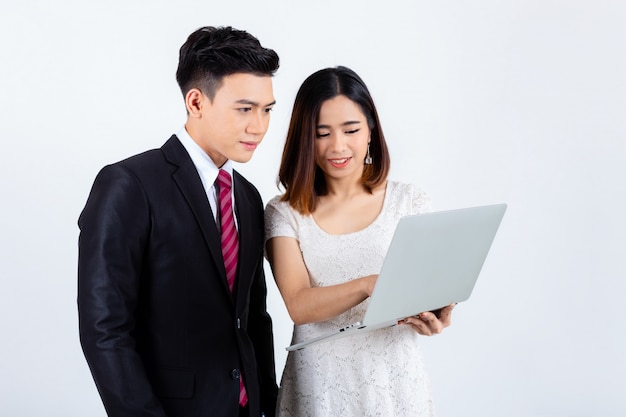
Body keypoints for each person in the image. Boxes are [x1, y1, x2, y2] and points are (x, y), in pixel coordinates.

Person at [78, 26, 279, 417]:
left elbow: (254, 319)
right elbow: (105, 331)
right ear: (196, 102)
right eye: (244, 108)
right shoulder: (129, 185)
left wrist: (268, 405)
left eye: (267, 109)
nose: (259, 126)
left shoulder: (249, 197)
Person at [264, 66, 454, 416]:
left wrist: (437, 315)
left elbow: (427, 291)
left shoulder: (409, 202)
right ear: (304, 138)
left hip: (394, 381)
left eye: (351, 129)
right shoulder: (284, 212)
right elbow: (298, 304)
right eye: (322, 133)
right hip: (319, 387)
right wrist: (368, 285)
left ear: (370, 131)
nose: (338, 146)